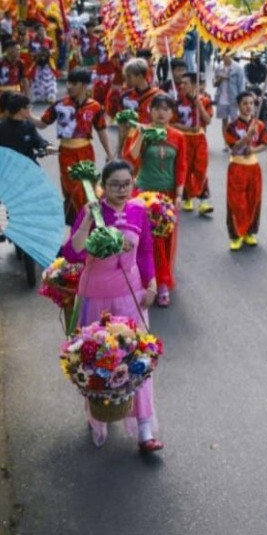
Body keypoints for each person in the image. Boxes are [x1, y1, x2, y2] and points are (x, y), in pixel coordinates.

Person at [61, 159, 162, 452]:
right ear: (103, 186)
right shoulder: (92, 211)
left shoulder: (138, 210)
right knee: (99, 359)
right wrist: (86, 223)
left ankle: (144, 427)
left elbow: (145, 251)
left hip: (130, 294)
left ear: (133, 183)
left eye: (126, 184)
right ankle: (99, 415)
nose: (121, 190)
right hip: (94, 295)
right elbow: (71, 254)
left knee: (137, 358)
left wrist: (152, 284)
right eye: (114, 184)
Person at [123, 93, 186, 308]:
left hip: (167, 196)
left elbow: (181, 167)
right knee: (143, 240)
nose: (161, 112)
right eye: (157, 108)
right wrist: (141, 135)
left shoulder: (178, 136)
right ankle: (145, 281)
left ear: (172, 113)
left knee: (164, 241)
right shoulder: (142, 131)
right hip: (143, 194)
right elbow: (130, 158)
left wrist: (179, 195)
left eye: (166, 109)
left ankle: (163, 283)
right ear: (150, 111)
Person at [39, 69, 112, 225]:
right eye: (68, 82)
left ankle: (87, 222)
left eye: (73, 83)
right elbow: (42, 123)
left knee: (89, 188)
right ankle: (81, 222)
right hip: (66, 153)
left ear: (84, 85)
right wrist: (24, 115)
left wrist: (109, 153)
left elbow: (101, 130)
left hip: (86, 152)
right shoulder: (59, 105)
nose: (69, 86)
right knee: (73, 189)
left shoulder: (95, 107)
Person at [223, 91, 267, 250]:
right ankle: (236, 235)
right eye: (245, 103)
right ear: (238, 106)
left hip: (254, 168)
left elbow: (264, 144)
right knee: (237, 203)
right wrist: (246, 138)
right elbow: (233, 147)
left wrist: (253, 150)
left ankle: (250, 232)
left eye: (251, 103)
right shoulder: (232, 127)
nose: (249, 107)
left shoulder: (260, 125)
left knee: (253, 200)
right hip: (237, 167)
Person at [173, 72, 214, 215]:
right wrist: (189, 129)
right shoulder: (177, 102)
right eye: (181, 83)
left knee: (201, 168)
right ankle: (187, 198)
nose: (182, 86)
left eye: (186, 83)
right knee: (185, 168)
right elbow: (172, 123)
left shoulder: (205, 100)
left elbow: (208, 120)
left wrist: (200, 106)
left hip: (199, 139)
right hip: (184, 138)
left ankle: (203, 200)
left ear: (194, 85)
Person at [109, 58, 161, 160]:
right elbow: (122, 126)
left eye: (129, 77)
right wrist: (119, 150)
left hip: (152, 144)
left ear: (140, 76)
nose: (126, 80)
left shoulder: (158, 97)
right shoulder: (125, 97)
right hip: (131, 143)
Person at [0, 93, 52, 161]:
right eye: (29, 107)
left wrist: (46, 146)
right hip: (9, 165)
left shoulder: (28, 125)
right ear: (21, 110)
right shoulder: (2, 128)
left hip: (28, 164)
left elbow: (37, 140)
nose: (31, 109)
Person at [214, 53, 246, 132]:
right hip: (222, 99)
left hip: (234, 99)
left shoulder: (238, 68)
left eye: (226, 55)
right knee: (224, 122)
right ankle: (225, 139)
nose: (224, 57)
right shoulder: (219, 68)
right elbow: (214, 84)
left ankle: (233, 138)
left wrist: (241, 101)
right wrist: (220, 79)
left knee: (234, 122)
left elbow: (241, 85)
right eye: (222, 55)